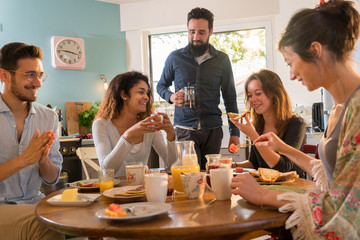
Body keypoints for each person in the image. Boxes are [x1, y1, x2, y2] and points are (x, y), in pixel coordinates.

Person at [231, 1, 360, 239]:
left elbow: (348, 207)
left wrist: (263, 196)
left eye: (291, 62)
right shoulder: (338, 110)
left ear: (315, 51)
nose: (291, 74)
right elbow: (337, 174)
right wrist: (283, 148)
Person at [157, 7, 240, 170]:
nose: (195, 37)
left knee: (211, 176)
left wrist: (235, 133)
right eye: (191, 32)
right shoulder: (175, 58)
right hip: (185, 130)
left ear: (211, 32)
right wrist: (172, 97)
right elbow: (161, 86)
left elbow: (230, 97)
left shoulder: (222, 60)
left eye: (201, 32)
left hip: (213, 130)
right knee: (190, 177)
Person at [0, 42, 64, 239]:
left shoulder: (48, 117)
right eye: (30, 75)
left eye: (40, 75)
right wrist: (25, 159)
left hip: (36, 202)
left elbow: (52, 178)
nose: (38, 83)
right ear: (4, 75)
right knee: (45, 224)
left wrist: (43, 160)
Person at [93, 71, 177, 177]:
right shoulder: (101, 125)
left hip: (142, 189)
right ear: (124, 94)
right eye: (141, 92)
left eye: (147, 93)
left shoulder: (149, 124)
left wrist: (170, 135)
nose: (146, 97)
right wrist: (128, 135)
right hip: (113, 191)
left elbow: (173, 164)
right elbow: (107, 171)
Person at [229, 69, 306, 177]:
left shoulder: (296, 123)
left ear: (275, 93)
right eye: (250, 95)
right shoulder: (258, 126)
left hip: (292, 188)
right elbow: (254, 163)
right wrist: (229, 165)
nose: (252, 100)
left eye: (258, 93)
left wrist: (253, 135)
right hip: (266, 186)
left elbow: (283, 168)